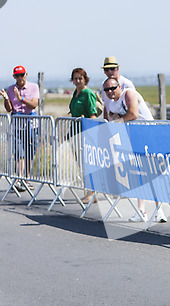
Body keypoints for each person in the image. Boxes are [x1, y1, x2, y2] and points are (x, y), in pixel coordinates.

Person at [103, 77, 166, 223]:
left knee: (152, 173)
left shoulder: (128, 94)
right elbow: (110, 117)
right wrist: (117, 119)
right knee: (140, 175)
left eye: (113, 88)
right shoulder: (111, 103)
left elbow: (133, 114)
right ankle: (141, 211)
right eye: (106, 90)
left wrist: (119, 119)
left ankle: (159, 210)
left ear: (119, 86)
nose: (110, 92)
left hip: (148, 135)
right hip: (135, 138)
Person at [0, 65, 39, 191]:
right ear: (14, 77)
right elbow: (9, 108)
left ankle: (27, 178)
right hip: (17, 124)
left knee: (29, 151)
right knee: (18, 152)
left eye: (22, 75)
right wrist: (6, 99)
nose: (20, 78)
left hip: (31, 123)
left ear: (26, 75)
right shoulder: (11, 89)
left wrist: (20, 98)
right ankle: (19, 178)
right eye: (17, 76)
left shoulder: (33, 87)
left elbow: (34, 104)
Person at [68, 67, 102, 204]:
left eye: (80, 78)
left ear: (85, 79)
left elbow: (92, 114)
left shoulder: (88, 93)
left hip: (85, 132)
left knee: (88, 163)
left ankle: (92, 192)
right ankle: (88, 191)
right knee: (81, 163)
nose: (77, 81)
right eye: (75, 78)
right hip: (75, 131)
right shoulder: (76, 93)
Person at [100, 56, 135, 120]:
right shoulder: (104, 85)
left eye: (112, 69)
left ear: (117, 69)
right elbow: (106, 105)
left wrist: (118, 120)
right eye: (106, 69)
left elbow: (133, 109)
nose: (110, 72)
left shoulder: (127, 83)